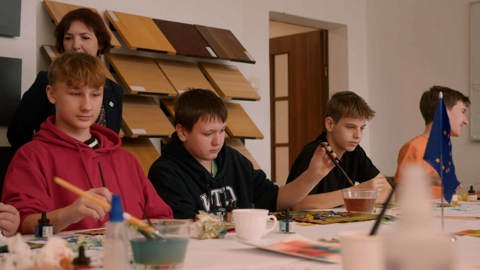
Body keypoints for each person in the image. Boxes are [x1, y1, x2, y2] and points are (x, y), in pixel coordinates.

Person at [2, 52, 172, 234]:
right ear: (52, 94)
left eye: (96, 94)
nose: (87, 106)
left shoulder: (126, 159)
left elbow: (162, 218)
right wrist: (68, 214)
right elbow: (22, 225)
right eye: (75, 93)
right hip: (65, 260)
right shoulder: (32, 156)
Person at [148, 89, 336, 219]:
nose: (217, 141)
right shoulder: (165, 173)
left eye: (222, 131)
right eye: (208, 133)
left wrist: (313, 175)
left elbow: (276, 199)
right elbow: (186, 231)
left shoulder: (234, 159)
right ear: (182, 132)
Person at [7, 8, 123, 150]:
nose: (75, 45)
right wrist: (42, 160)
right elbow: (17, 133)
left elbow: (111, 138)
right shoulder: (46, 80)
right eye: (68, 38)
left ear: (100, 43)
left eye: (85, 37)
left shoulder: (115, 91)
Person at [286, 91, 391, 209]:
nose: (358, 135)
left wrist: (356, 193)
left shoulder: (355, 152)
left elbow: (387, 191)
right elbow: (295, 203)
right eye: (350, 127)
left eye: (362, 128)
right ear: (330, 124)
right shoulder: (313, 153)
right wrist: (355, 192)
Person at [395, 86, 470, 198]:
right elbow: (401, 193)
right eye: (462, 111)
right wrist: (429, 179)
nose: (466, 121)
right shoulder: (414, 147)